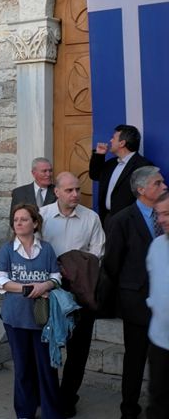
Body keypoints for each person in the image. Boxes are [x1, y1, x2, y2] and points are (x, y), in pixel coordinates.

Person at [39, 171, 105, 417]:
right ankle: (48, 395)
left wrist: (77, 270)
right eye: (69, 190)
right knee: (47, 344)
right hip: (50, 289)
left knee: (78, 349)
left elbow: (98, 254)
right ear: (56, 192)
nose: (75, 194)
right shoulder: (42, 216)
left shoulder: (91, 218)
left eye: (77, 189)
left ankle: (67, 397)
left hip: (82, 289)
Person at [103, 166, 167, 419]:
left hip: (163, 304)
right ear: (141, 189)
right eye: (158, 183)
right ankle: (129, 409)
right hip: (136, 302)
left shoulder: (166, 216)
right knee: (135, 359)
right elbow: (112, 263)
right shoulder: (122, 220)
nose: (164, 186)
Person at [0, 204, 63, 419]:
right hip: (15, 318)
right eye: (16, 220)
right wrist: (26, 288)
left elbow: (56, 276)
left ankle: (51, 412)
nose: (18, 223)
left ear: (35, 223)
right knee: (23, 368)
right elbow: (0, 279)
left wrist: (44, 286)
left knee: (47, 367)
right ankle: (25, 412)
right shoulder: (7, 250)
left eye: (24, 219)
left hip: (43, 319)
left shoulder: (47, 249)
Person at [89, 124, 152, 224]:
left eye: (113, 138)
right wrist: (99, 155)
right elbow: (94, 175)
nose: (111, 141)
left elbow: (148, 198)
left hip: (129, 222)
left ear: (122, 143)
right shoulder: (111, 164)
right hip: (107, 219)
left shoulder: (143, 165)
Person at [146, 191, 169, 419]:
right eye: (159, 214)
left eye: (167, 214)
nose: (162, 220)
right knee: (158, 400)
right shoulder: (156, 246)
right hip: (160, 340)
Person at [10, 158, 56, 222]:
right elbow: (13, 220)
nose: (48, 174)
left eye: (50, 171)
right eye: (44, 171)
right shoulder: (19, 193)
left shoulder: (58, 192)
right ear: (34, 173)